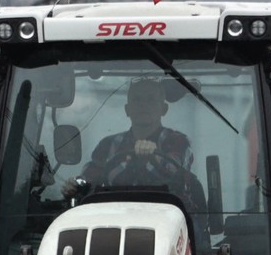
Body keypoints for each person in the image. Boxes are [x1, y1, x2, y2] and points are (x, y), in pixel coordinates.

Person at [81, 80, 204, 212]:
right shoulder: (108, 144)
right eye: (137, 99)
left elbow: (175, 170)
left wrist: (155, 157)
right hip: (116, 214)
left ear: (164, 109)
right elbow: (89, 179)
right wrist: (76, 185)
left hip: (173, 215)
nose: (143, 105)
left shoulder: (178, 141)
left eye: (151, 99)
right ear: (127, 110)